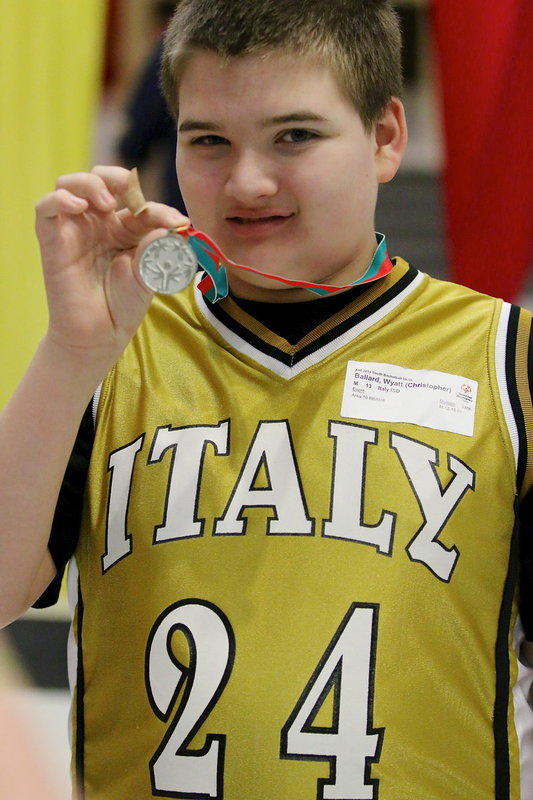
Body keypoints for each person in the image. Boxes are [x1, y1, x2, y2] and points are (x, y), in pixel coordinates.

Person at [0, 1, 532, 797]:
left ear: (386, 137)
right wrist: (73, 352)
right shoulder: (111, 350)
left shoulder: (506, 360)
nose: (246, 181)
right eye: (208, 140)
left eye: (294, 136)